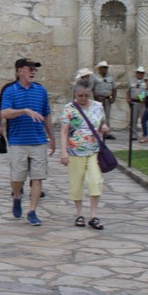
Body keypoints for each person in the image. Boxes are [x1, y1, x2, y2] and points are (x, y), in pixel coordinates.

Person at [0, 58, 55, 226]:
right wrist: (24, 110)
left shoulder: (41, 91)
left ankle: (32, 211)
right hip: (18, 141)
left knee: (38, 178)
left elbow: (46, 114)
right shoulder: (10, 91)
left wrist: (52, 137)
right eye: (29, 68)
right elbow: (5, 113)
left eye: (34, 69)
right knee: (17, 177)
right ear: (19, 71)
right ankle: (17, 196)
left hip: (38, 140)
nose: (33, 72)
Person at [59, 80, 108, 230]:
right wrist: (63, 151)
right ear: (75, 94)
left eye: (86, 96)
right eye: (80, 95)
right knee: (76, 182)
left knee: (95, 181)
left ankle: (93, 214)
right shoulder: (69, 108)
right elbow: (64, 131)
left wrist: (104, 128)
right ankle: (79, 213)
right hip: (75, 150)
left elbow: (101, 124)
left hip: (94, 150)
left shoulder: (98, 107)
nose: (83, 99)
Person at [93, 61, 117, 139]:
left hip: (107, 99)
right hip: (98, 99)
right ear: (99, 69)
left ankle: (106, 132)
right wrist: (96, 97)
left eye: (106, 68)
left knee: (107, 116)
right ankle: (97, 132)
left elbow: (114, 89)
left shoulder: (110, 78)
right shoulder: (95, 77)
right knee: (98, 116)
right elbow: (92, 88)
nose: (105, 69)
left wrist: (112, 98)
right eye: (103, 68)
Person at [126, 67, 148, 139]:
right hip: (134, 102)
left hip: (142, 103)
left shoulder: (146, 82)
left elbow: (147, 91)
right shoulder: (132, 81)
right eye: (138, 72)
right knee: (133, 119)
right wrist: (128, 98)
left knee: (144, 119)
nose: (140, 74)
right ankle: (133, 135)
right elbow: (128, 91)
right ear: (136, 73)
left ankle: (145, 135)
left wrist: (144, 98)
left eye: (141, 73)